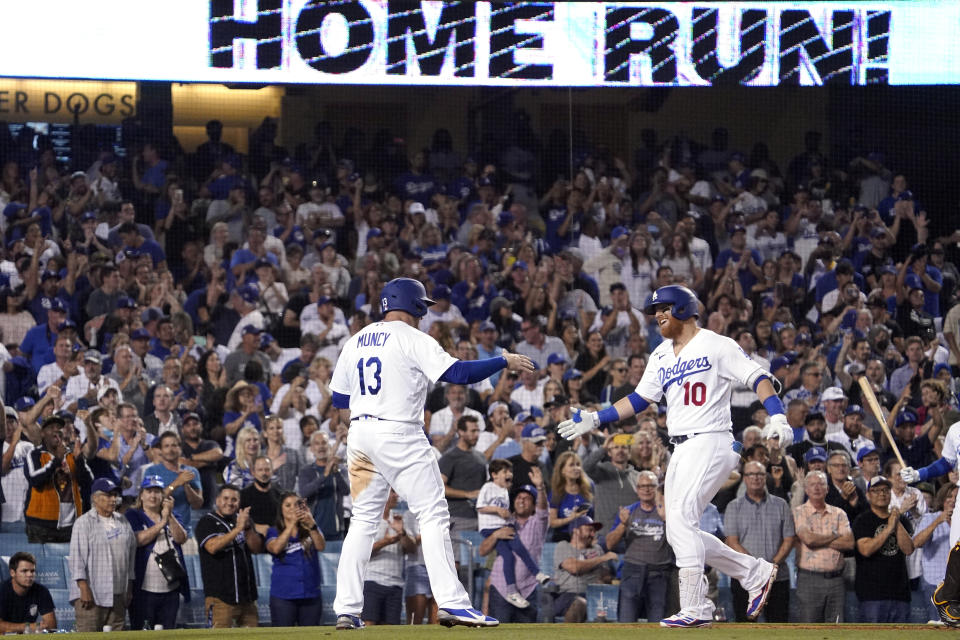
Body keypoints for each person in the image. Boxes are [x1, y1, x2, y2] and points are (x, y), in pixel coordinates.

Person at [559, 285, 791, 626]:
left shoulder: (716, 344)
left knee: (681, 521)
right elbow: (639, 400)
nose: (657, 316)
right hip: (681, 447)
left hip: (711, 440)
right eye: (654, 311)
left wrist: (778, 416)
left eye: (663, 308)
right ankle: (753, 572)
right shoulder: (660, 355)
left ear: (683, 307)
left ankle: (697, 607)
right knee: (678, 529)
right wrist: (596, 418)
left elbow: (757, 377)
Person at [329, 278, 534, 629]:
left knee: (363, 521)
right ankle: (453, 603)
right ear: (414, 305)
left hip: (360, 435)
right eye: (422, 306)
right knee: (434, 513)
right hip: (398, 431)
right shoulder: (411, 337)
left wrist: (368, 416)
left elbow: (339, 400)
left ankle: (347, 609)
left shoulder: (355, 341)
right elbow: (456, 372)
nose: (424, 313)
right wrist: (502, 360)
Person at [723, 460, 796, 622]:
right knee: (745, 629)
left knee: (778, 628)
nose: (755, 478)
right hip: (745, 578)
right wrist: (756, 567)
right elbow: (732, 542)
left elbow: (789, 539)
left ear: (765, 477)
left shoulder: (781, 505)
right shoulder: (733, 507)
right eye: (751, 474)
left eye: (760, 474)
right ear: (744, 478)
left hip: (777, 578)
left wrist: (771, 567)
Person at [476, 459, 550, 609]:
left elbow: (543, 509)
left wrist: (540, 487)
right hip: (499, 588)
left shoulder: (538, 523)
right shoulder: (502, 522)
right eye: (519, 497)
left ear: (534, 504)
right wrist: (496, 535)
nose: (521, 501)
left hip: (528, 590)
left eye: (527, 498)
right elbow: (482, 551)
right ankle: (514, 589)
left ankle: (537, 574)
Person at [68, 477, 137, 632]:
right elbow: (76, 559)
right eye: (108, 495)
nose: (113, 499)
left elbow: (130, 557)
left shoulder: (123, 521)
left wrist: (129, 587)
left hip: (118, 593)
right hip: (92, 594)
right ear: (95, 498)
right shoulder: (83, 523)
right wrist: (83, 588)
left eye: (115, 495)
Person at [605, 470, 673, 623]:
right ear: (637, 489)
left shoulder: (667, 511)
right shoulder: (628, 511)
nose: (646, 489)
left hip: (659, 573)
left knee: (658, 623)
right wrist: (623, 524)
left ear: (658, 488)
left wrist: (666, 519)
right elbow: (609, 543)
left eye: (651, 486)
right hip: (632, 572)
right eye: (642, 486)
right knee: (626, 621)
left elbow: (679, 541)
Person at [124, 475, 189, 630]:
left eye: (157, 492)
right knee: (142, 631)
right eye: (149, 491)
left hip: (170, 587)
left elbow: (181, 538)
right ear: (141, 495)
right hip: (144, 589)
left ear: (163, 496)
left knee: (167, 631)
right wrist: (162, 523)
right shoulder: (133, 514)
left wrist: (170, 516)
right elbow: (138, 540)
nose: (153, 496)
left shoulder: (172, 514)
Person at [195, 484, 263, 628]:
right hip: (220, 598)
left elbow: (256, 548)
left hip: (247, 597)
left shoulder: (244, 521)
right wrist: (238, 529)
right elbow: (212, 547)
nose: (230, 503)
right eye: (225, 498)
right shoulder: (207, 521)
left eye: (234, 499)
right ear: (217, 500)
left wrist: (248, 528)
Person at [791, 470, 854, 622]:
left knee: (836, 630)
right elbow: (809, 540)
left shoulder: (839, 513)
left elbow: (850, 543)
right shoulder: (799, 512)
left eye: (821, 484)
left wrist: (819, 539)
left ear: (827, 489)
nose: (817, 488)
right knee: (810, 630)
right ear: (806, 489)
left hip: (837, 580)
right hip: (809, 579)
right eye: (812, 485)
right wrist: (835, 535)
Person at [852, 475, 914, 622]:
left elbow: (908, 549)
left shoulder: (901, 519)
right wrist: (889, 528)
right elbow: (865, 550)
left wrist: (896, 521)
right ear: (868, 495)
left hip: (900, 593)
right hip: (872, 595)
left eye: (886, 490)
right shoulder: (862, 520)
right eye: (876, 490)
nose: (882, 494)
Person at [24, 415, 93, 543]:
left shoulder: (72, 455)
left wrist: (79, 461)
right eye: (51, 427)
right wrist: (57, 461)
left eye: (59, 427)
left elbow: (88, 482)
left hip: (71, 525)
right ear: (43, 433)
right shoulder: (35, 454)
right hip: (41, 526)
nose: (56, 430)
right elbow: (35, 480)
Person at [265, 491, 325, 626]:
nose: (292, 508)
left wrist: (312, 524)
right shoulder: (273, 531)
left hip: (310, 594)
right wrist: (291, 524)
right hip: (283, 596)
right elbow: (275, 548)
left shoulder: (311, 529)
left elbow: (321, 546)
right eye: (287, 505)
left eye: (296, 505)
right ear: (281, 510)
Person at [551, 515, 617, 622]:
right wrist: (601, 559)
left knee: (607, 609)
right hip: (569, 595)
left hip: (595, 595)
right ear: (576, 531)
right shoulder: (563, 546)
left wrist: (604, 578)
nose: (593, 534)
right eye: (590, 530)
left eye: (594, 531)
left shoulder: (597, 549)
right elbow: (574, 568)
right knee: (580, 603)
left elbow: (606, 577)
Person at [914, 483, 957, 623]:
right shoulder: (930, 518)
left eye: (956, 497)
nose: (953, 500)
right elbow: (917, 543)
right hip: (934, 581)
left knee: (955, 624)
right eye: (949, 496)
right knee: (937, 625)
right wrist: (938, 521)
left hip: (956, 584)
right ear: (942, 499)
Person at [141, 432, 202, 532]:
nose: (170, 450)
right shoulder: (152, 471)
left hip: (185, 531)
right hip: (158, 531)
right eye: (166, 446)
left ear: (180, 448)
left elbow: (197, 504)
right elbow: (152, 500)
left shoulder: (191, 472)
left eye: (174, 445)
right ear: (161, 450)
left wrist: (186, 485)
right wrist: (177, 482)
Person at [438, 415, 488, 534]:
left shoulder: (481, 457)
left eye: (478, 431)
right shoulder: (449, 457)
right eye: (472, 431)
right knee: (458, 553)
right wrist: (468, 494)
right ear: (461, 432)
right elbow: (439, 488)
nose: (476, 435)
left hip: (481, 518)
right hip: (458, 517)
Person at [298, 431, 348, 541]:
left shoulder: (339, 469)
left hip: (337, 531)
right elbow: (304, 493)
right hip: (313, 531)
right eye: (317, 443)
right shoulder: (306, 471)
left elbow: (346, 491)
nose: (321, 446)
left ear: (329, 447)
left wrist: (336, 472)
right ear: (311, 448)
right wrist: (324, 475)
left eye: (324, 443)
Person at [0, 552, 56, 633]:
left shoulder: (41, 591)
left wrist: (34, 628)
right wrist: (28, 626)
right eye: (24, 571)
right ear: (12, 573)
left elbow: (51, 626)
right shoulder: (2, 591)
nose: (30, 575)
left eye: (32, 571)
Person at [240, 455, 283, 536]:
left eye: (267, 470)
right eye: (260, 470)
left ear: (272, 471)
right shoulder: (243, 495)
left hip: (277, 536)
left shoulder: (280, 494)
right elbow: (237, 519)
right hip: (252, 537)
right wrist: (256, 527)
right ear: (253, 472)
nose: (264, 473)